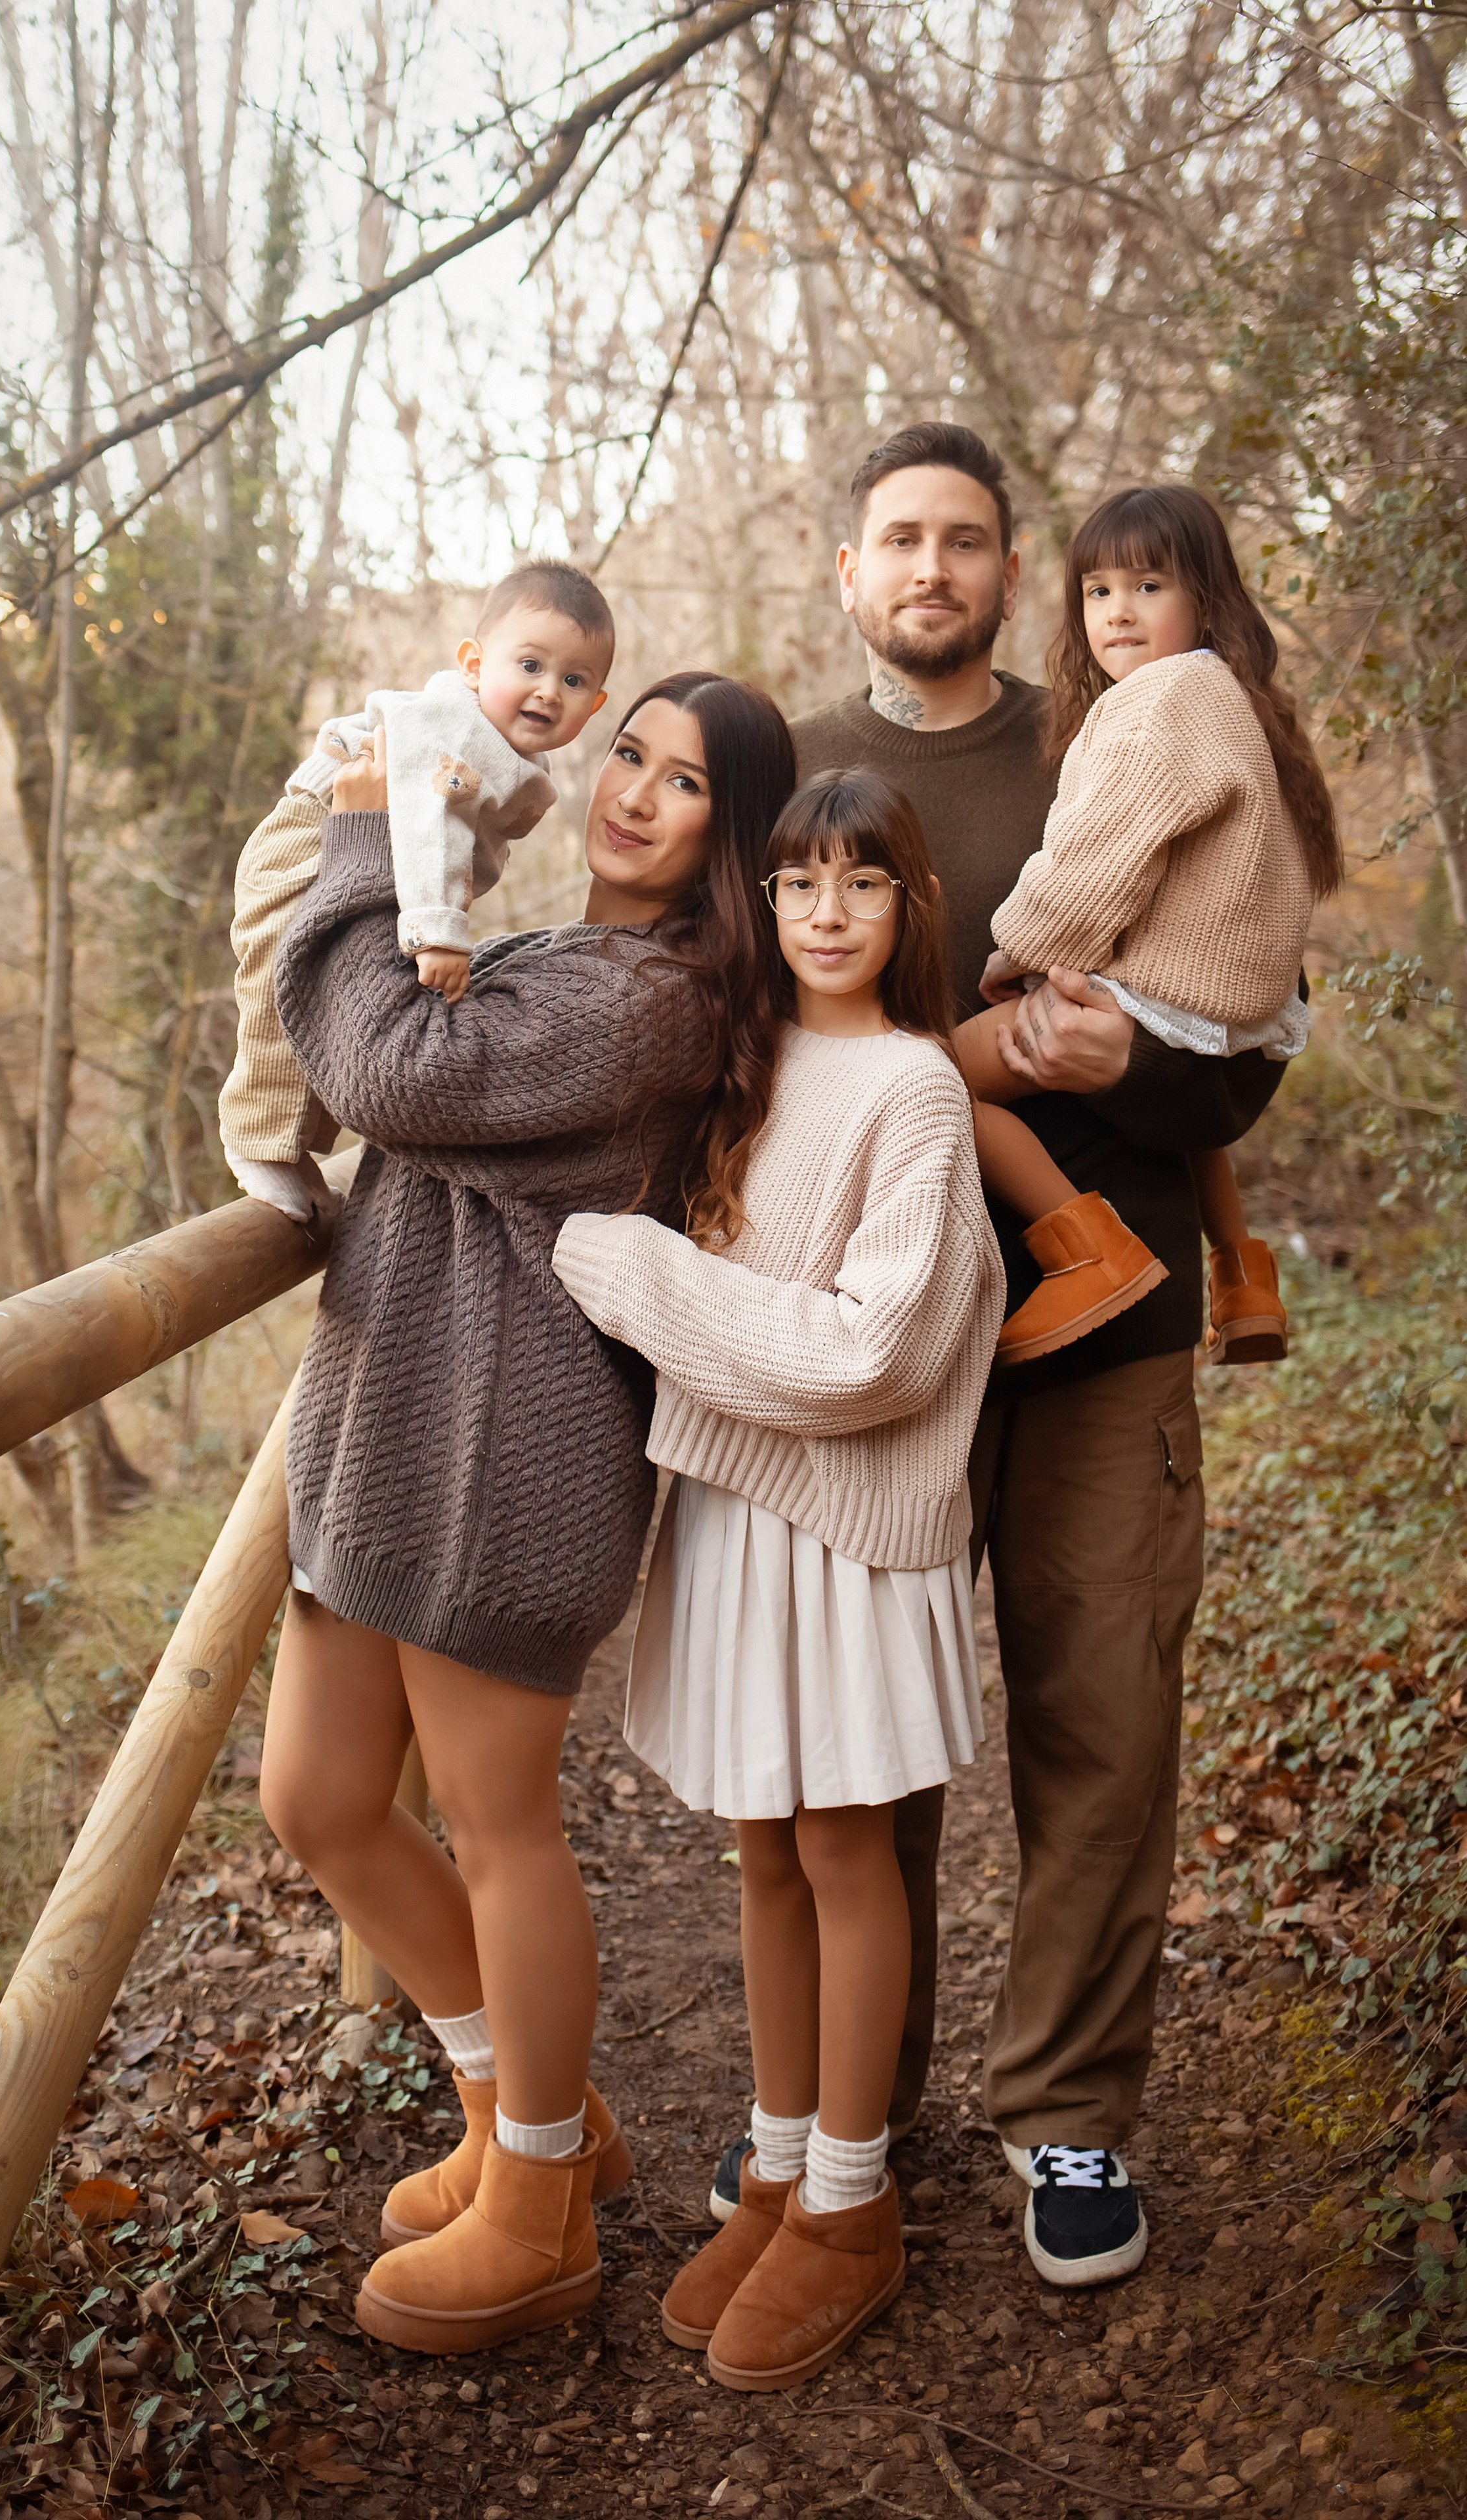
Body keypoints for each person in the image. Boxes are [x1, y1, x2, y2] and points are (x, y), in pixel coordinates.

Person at [706, 421, 1299, 2290]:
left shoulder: (1118, 723)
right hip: (864, 1348)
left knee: (1100, 1719)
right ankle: (845, 2125)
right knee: (847, 1736)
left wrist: (1157, 1066)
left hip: (1095, 1330)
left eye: (968, 540)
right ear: (848, 569)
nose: (934, 569)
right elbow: (706, 1024)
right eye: (901, 541)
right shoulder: (791, 774)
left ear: (1009, 564)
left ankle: (1069, 2123)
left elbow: (1261, 1022)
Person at [253, 671, 798, 2357]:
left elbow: (381, 1068)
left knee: (495, 1826)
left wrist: (366, 828)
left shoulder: (661, 1000)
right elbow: (394, 1059)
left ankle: (542, 2200)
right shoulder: (564, 955)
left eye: (684, 779)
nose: (633, 790)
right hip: (388, 1432)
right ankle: (521, 2113)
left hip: (510, 1456)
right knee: (319, 1797)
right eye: (624, 752)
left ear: (736, 830)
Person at [553, 768, 1004, 2389]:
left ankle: (850, 2201)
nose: (826, 911)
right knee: (758, 1845)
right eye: (800, 882)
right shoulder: (746, 1061)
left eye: (861, 884)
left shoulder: (915, 1092)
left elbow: (864, 1351)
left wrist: (636, 1271)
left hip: (845, 1514)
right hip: (737, 1506)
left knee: (839, 1839)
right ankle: (776, 2158)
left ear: (906, 908)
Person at [957, 485, 1340, 1367]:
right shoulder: (1240, 699)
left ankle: (1085, 1245)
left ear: (1206, 596)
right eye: (1097, 591)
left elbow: (1096, 863)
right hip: (1232, 1009)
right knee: (1190, 1127)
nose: (1117, 612)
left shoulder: (1160, 702)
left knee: (936, 1076)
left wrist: (1018, 951)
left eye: (1148, 587)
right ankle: (1245, 1280)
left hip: (1162, 996)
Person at [217, 560, 614, 1227]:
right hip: (314, 834)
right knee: (280, 973)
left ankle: (291, 1148)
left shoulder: (509, 749)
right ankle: (258, 1143)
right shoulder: (455, 730)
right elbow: (431, 821)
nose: (549, 691)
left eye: (573, 680)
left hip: (372, 858)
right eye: (529, 666)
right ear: (473, 664)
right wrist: (440, 931)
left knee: (343, 992)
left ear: (595, 703)